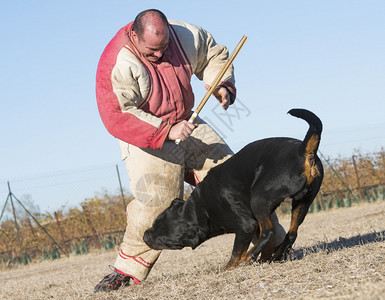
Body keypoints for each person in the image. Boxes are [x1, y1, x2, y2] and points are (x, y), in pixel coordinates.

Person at [94, 9, 286, 292]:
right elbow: (117, 114)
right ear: (135, 36)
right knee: (156, 201)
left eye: (164, 48)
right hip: (146, 132)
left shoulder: (184, 35)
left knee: (237, 179)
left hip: (187, 121)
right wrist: (165, 131)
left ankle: (274, 245)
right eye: (151, 51)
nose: (159, 55)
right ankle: (127, 269)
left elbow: (212, 55)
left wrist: (221, 84)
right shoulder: (117, 61)